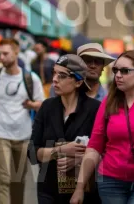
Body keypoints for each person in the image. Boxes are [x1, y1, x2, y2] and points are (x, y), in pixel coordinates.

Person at [70, 50, 134, 204]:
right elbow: (94, 146)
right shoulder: (108, 102)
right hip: (111, 180)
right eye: (116, 70)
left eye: (125, 71)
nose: (118, 75)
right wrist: (79, 187)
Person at [29, 54, 102, 204]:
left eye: (62, 75)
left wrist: (81, 158)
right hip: (48, 189)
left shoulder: (95, 109)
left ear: (78, 82)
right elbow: (32, 152)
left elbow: (105, 151)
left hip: (83, 190)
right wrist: (60, 151)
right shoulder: (47, 107)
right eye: (54, 73)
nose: (55, 79)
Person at [0, 38, 45, 204]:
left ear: (16, 53)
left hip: (23, 135)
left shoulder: (31, 79)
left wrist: (32, 105)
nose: (1, 57)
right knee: (2, 179)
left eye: (5, 53)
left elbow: (42, 105)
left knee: (18, 180)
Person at [50, 43, 115, 101]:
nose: (93, 65)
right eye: (88, 61)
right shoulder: (59, 89)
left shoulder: (109, 99)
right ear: (78, 65)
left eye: (98, 62)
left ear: (103, 67)